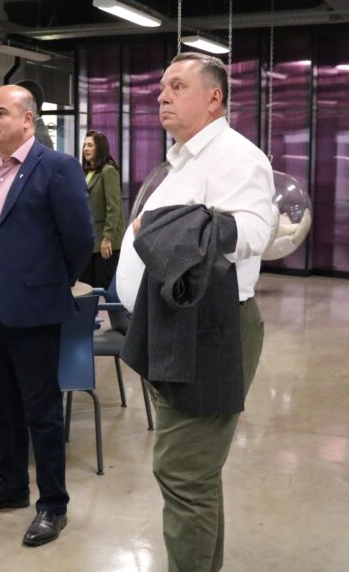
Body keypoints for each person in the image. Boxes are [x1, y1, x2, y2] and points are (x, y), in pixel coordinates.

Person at [116, 52, 277, 571]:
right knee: (196, 476)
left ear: (214, 98)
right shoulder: (182, 158)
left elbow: (256, 231)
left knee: (183, 472)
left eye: (178, 86)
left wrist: (180, 228)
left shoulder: (236, 155)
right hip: (173, 327)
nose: (163, 95)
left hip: (211, 329)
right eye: (162, 86)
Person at [0, 85, 94, 547]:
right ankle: (10, 486)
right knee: (0, 406)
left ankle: (53, 505)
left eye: (0, 112)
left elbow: (79, 240)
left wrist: (45, 284)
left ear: (28, 120)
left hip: (33, 313)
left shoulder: (56, 167)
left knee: (42, 412)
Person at [80, 130, 125, 288]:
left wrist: (107, 238)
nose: (86, 148)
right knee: (87, 287)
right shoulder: (87, 172)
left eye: (90, 145)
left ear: (100, 148)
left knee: (103, 289)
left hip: (105, 243)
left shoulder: (108, 171)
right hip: (90, 242)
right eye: (85, 145)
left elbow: (114, 206)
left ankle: (109, 314)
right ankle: (92, 314)